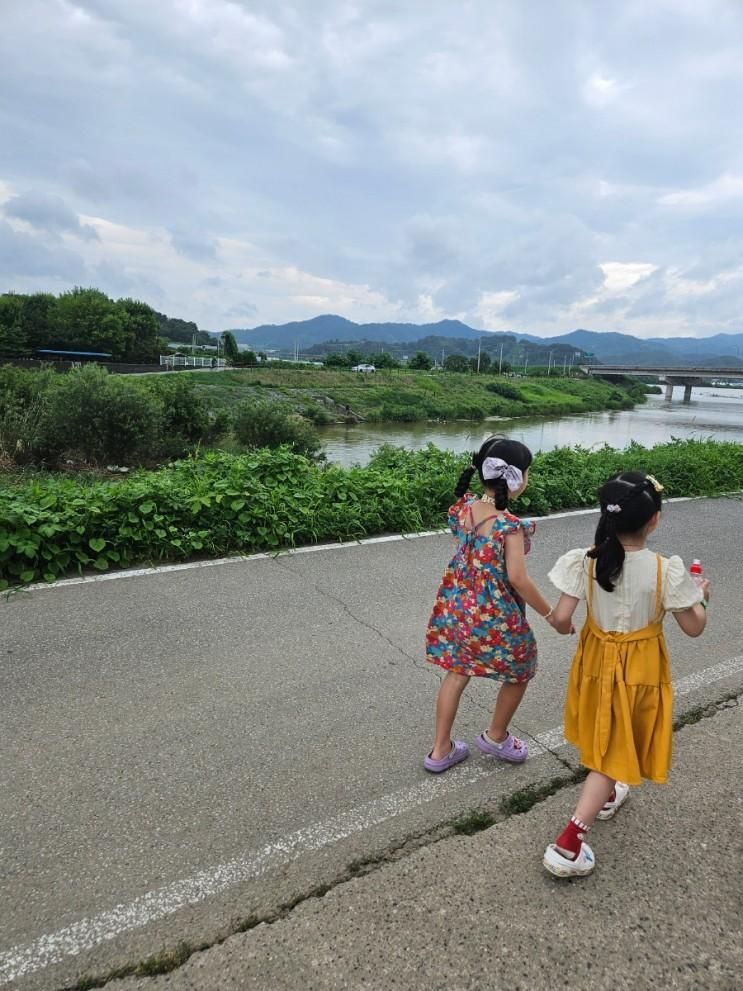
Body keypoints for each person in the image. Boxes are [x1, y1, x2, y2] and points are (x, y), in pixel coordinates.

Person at [543, 471, 710, 878]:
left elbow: (562, 617)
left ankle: (606, 795)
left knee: (606, 732)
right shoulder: (664, 570)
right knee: (618, 741)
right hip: (639, 667)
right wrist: (699, 595)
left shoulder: (587, 560)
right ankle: (568, 843)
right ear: (654, 520)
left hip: (595, 661)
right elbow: (695, 627)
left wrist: (568, 624)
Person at [424, 437, 568, 773]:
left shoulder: (465, 507)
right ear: (519, 479)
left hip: (458, 605)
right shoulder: (509, 526)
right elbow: (518, 578)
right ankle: (496, 736)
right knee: (521, 666)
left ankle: (440, 750)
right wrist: (550, 615)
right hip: (494, 612)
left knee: (457, 671)